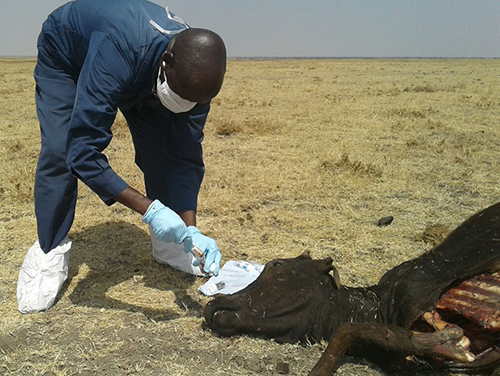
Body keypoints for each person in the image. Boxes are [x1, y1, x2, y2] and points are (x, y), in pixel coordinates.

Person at [16, 0, 227, 314]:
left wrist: (189, 228)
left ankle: (171, 245)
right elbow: (83, 151)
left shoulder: (195, 81)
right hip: (69, 57)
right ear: (167, 62)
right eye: (178, 96)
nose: (185, 105)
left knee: (163, 149)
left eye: (191, 102)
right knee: (61, 149)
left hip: (144, 73)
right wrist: (150, 210)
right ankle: (49, 249)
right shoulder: (121, 47)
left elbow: (185, 156)